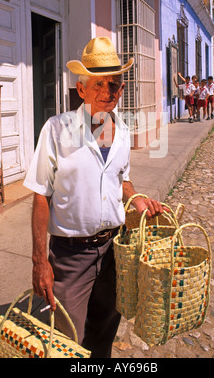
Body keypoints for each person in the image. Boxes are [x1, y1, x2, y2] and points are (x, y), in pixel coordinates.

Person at [23, 36, 166, 358]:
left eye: (114, 86)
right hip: (71, 255)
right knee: (66, 337)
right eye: (98, 85)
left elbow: (122, 181)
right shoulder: (56, 129)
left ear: (122, 89)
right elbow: (40, 195)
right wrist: (39, 261)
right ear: (81, 88)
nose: (107, 93)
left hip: (114, 250)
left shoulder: (123, 130)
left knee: (104, 330)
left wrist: (137, 198)